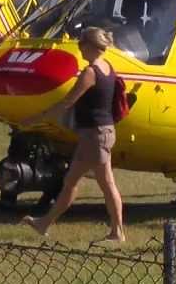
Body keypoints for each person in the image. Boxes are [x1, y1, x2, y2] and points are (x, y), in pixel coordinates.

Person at [20, 26, 126, 242]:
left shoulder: (90, 73)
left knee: (97, 184)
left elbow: (67, 102)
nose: (79, 48)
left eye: (81, 44)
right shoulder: (108, 67)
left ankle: (117, 232)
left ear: (90, 46)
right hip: (102, 132)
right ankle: (44, 223)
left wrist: (36, 119)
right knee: (78, 181)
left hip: (95, 135)